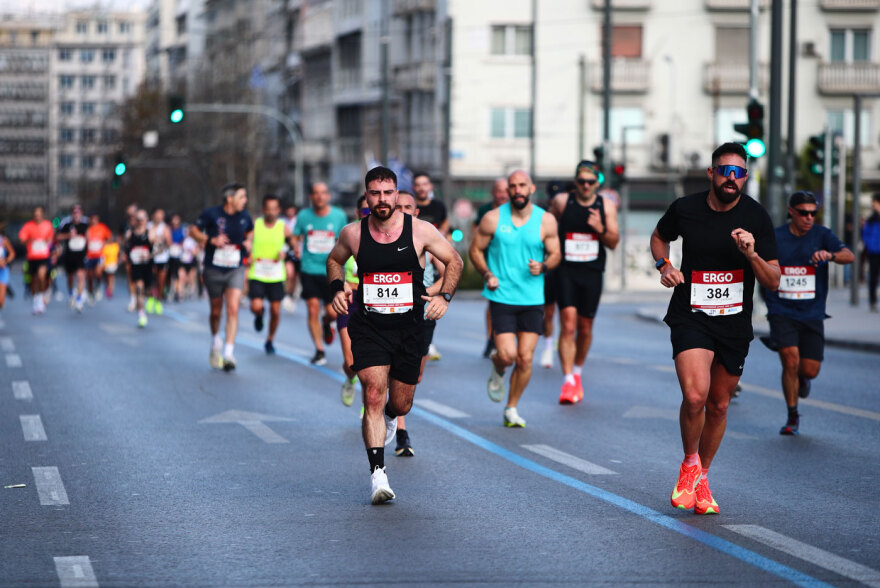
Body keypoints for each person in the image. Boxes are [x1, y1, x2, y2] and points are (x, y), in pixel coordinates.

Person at [650, 142, 780, 516]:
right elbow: (659, 237)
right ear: (712, 173)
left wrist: (751, 254)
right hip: (691, 314)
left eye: (739, 173)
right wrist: (664, 266)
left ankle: (703, 476)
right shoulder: (685, 208)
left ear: (746, 178)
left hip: (734, 323)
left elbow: (773, 281)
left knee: (719, 405)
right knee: (695, 397)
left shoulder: (756, 217)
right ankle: (689, 464)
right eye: (725, 171)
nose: (731, 179)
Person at [327, 166, 463, 505]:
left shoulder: (420, 230)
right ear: (367, 196)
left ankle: (392, 417)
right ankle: (378, 476)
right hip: (369, 326)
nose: (382, 199)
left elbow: (455, 261)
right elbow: (333, 260)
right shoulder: (353, 234)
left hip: (409, 328)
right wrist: (337, 287)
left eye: (388, 193)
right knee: (373, 393)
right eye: (375, 193)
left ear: (396, 194)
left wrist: (444, 297)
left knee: (400, 402)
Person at [469, 170, 562, 428]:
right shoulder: (493, 218)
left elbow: (555, 254)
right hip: (502, 296)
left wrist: (543, 266)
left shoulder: (546, 221)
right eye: (513, 186)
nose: (518, 190)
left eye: (522, 185)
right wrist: (487, 273)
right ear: (508, 190)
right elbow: (475, 249)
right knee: (508, 355)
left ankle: (511, 407)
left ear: (532, 188)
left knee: (526, 358)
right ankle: (498, 368)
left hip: (532, 298)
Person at [759, 191, 854, 435]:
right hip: (781, 310)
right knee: (790, 359)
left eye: (813, 213)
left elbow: (849, 256)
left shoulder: (822, 235)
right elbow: (759, 266)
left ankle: (801, 378)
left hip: (812, 312)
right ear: (791, 211)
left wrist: (830, 255)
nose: (809, 218)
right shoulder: (776, 237)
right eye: (803, 213)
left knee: (809, 370)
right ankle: (792, 416)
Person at [549, 161, 620, 404]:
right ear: (576, 181)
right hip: (566, 270)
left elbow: (613, 242)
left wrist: (600, 229)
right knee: (568, 325)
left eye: (591, 181)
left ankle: (577, 372)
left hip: (592, 272)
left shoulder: (606, 206)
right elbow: (549, 228)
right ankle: (567, 380)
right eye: (582, 181)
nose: (586, 185)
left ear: (597, 182)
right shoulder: (562, 202)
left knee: (585, 327)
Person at [394, 190, 447, 457]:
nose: (402, 211)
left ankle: (395, 410)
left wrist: (434, 291)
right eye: (398, 206)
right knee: (389, 367)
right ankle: (401, 431)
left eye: (408, 207)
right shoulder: (380, 235)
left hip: (421, 310)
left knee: (413, 376)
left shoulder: (425, 235)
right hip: (390, 312)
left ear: (415, 212)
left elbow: (450, 266)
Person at [190, 183, 254, 371]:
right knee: (216, 311)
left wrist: (249, 241)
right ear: (230, 198)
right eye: (242, 197)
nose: (245, 201)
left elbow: (249, 231)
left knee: (233, 308)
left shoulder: (244, 216)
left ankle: (228, 353)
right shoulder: (211, 214)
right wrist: (209, 240)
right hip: (214, 268)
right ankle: (215, 340)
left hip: (235, 268)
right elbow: (193, 231)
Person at [294, 182, 347, 366]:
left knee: (332, 313)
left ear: (328, 196)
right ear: (311, 197)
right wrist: (295, 247)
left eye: (323, 193)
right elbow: (295, 235)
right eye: (316, 193)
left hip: (331, 270)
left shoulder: (339, 216)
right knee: (312, 309)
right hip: (309, 269)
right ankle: (319, 350)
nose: (319, 196)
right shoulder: (303, 216)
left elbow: (345, 240)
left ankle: (327, 323)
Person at [248, 194, 294, 355]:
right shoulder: (256, 224)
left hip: (276, 274)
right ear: (263, 210)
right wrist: (247, 249)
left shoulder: (283, 227)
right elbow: (247, 240)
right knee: (255, 306)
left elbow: (292, 245)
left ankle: (270, 339)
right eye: (268, 209)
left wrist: (285, 252)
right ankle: (259, 315)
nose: (271, 212)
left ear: (278, 210)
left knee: (275, 311)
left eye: (274, 209)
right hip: (258, 272)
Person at [337, 196, 369, 408]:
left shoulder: (389, 235)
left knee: (373, 362)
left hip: (374, 301)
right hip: (351, 299)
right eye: (365, 212)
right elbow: (334, 263)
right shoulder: (350, 235)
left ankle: (370, 406)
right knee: (352, 363)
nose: (370, 215)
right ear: (358, 213)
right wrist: (341, 284)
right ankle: (350, 378)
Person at [474, 178, 509, 358]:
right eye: (498, 191)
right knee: (494, 300)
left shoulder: (516, 211)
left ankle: (504, 338)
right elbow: (476, 231)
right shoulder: (485, 211)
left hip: (511, 263)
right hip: (490, 263)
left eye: (505, 191)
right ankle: (492, 339)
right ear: (493, 193)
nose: (502, 194)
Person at [18, 206, 54, 315]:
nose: (37, 216)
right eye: (35, 214)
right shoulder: (28, 226)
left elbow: (51, 239)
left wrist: (48, 241)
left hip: (43, 256)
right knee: (33, 280)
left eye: (39, 214)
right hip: (32, 257)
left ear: (42, 214)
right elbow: (21, 240)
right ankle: (35, 300)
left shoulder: (48, 225)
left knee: (41, 276)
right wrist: (29, 240)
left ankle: (40, 298)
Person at [57, 205, 90, 312]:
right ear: (72, 214)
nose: (76, 215)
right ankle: (71, 293)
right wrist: (68, 235)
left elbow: (90, 237)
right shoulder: (66, 224)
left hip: (81, 255)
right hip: (69, 254)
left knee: (81, 276)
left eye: (78, 213)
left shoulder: (86, 224)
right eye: (74, 213)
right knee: (70, 276)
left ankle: (79, 300)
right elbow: (57, 236)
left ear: (81, 213)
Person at [125, 210, 153, 328]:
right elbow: (124, 247)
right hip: (136, 266)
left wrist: (150, 255)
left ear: (146, 220)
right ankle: (141, 313)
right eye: (138, 219)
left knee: (147, 290)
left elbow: (161, 248)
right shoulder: (130, 233)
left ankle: (144, 302)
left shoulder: (150, 233)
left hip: (147, 266)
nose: (140, 221)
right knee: (139, 287)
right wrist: (125, 255)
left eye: (142, 219)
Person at [147, 208, 171, 315]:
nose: (159, 217)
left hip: (162, 258)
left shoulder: (165, 228)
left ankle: (159, 301)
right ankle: (151, 299)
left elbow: (170, 243)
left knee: (161, 281)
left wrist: (164, 239)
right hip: (151, 258)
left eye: (161, 215)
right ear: (153, 215)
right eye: (157, 215)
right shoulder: (148, 226)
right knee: (151, 280)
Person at [85, 212, 112, 303]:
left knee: (98, 272)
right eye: (91, 219)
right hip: (89, 255)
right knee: (89, 275)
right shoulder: (87, 229)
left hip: (100, 255)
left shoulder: (102, 228)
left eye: (95, 218)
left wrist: (104, 243)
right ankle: (90, 291)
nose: (93, 220)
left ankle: (98, 285)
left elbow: (109, 238)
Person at [413, 172, 450, 237]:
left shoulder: (439, 206)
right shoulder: (409, 207)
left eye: (425, 184)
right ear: (413, 187)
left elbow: (445, 222)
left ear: (430, 186)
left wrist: (441, 234)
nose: (421, 188)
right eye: (418, 185)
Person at [862, 193, 880, 312]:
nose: (873, 206)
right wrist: (869, 245)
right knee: (873, 277)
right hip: (874, 251)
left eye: (874, 203)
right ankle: (872, 301)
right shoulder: (871, 219)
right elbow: (865, 233)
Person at [281, 203, 300, 314]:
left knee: (295, 277)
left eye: (292, 210)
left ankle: (291, 295)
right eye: (288, 210)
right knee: (289, 273)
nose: (290, 212)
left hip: (298, 252)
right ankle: (287, 294)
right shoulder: (282, 222)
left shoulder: (299, 221)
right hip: (286, 251)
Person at [168, 213, 186, 301]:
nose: (175, 221)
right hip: (170, 255)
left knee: (180, 274)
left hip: (179, 255)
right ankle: (171, 291)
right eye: (174, 219)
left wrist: (180, 246)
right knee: (172, 275)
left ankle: (179, 293)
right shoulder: (169, 229)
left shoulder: (182, 230)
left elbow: (183, 241)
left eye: (177, 219)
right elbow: (168, 240)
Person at [0, 231, 16, 311]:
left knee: (1, 301)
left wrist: (5, 260)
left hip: (2, 271)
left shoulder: (3, 240)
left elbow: (12, 253)